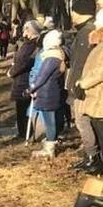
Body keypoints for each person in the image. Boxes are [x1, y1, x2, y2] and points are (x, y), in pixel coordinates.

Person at [66, 0, 100, 172]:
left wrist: (80, 84)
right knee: (81, 122)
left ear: (81, 13)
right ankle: (89, 155)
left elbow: (86, 64)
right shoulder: (81, 32)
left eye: (73, 12)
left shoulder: (89, 33)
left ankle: (93, 157)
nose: (71, 15)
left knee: (83, 122)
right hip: (79, 85)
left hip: (84, 87)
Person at [73, 10, 103, 173]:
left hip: (99, 99)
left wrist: (83, 83)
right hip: (95, 98)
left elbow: (100, 71)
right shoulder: (98, 45)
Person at [29, 30, 66, 159]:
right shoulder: (59, 54)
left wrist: (30, 89)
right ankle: (51, 143)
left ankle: (49, 148)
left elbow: (42, 77)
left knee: (50, 122)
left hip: (47, 93)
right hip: (53, 91)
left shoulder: (51, 58)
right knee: (52, 120)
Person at [8, 21, 41, 140]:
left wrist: (11, 72)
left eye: (25, 29)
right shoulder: (28, 43)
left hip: (24, 79)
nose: (23, 31)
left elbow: (24, 62)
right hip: (21, 79)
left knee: (23, 108)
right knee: (21, 108)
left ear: (30, 31)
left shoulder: (32, 45)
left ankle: (26, 132)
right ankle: (22, 131)